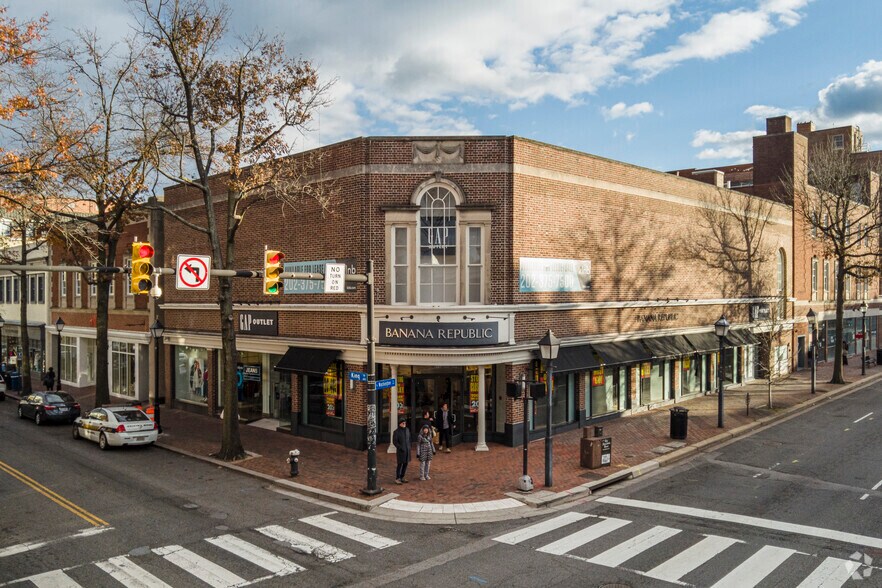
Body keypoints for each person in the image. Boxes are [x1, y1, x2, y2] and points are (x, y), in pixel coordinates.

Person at [392, 417, 412, 484]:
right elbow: (395, 442)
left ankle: (402, 477)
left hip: (407, 450)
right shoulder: (396, 432)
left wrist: (409, 446)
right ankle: (397, 478)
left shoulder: (407, 430)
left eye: (405, 423)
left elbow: (409, 439)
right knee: (400, 464)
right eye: (403, 423)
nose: (404, 424)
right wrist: (400, 448)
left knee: (405, 464)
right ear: (400, 424)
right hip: (401, 451)